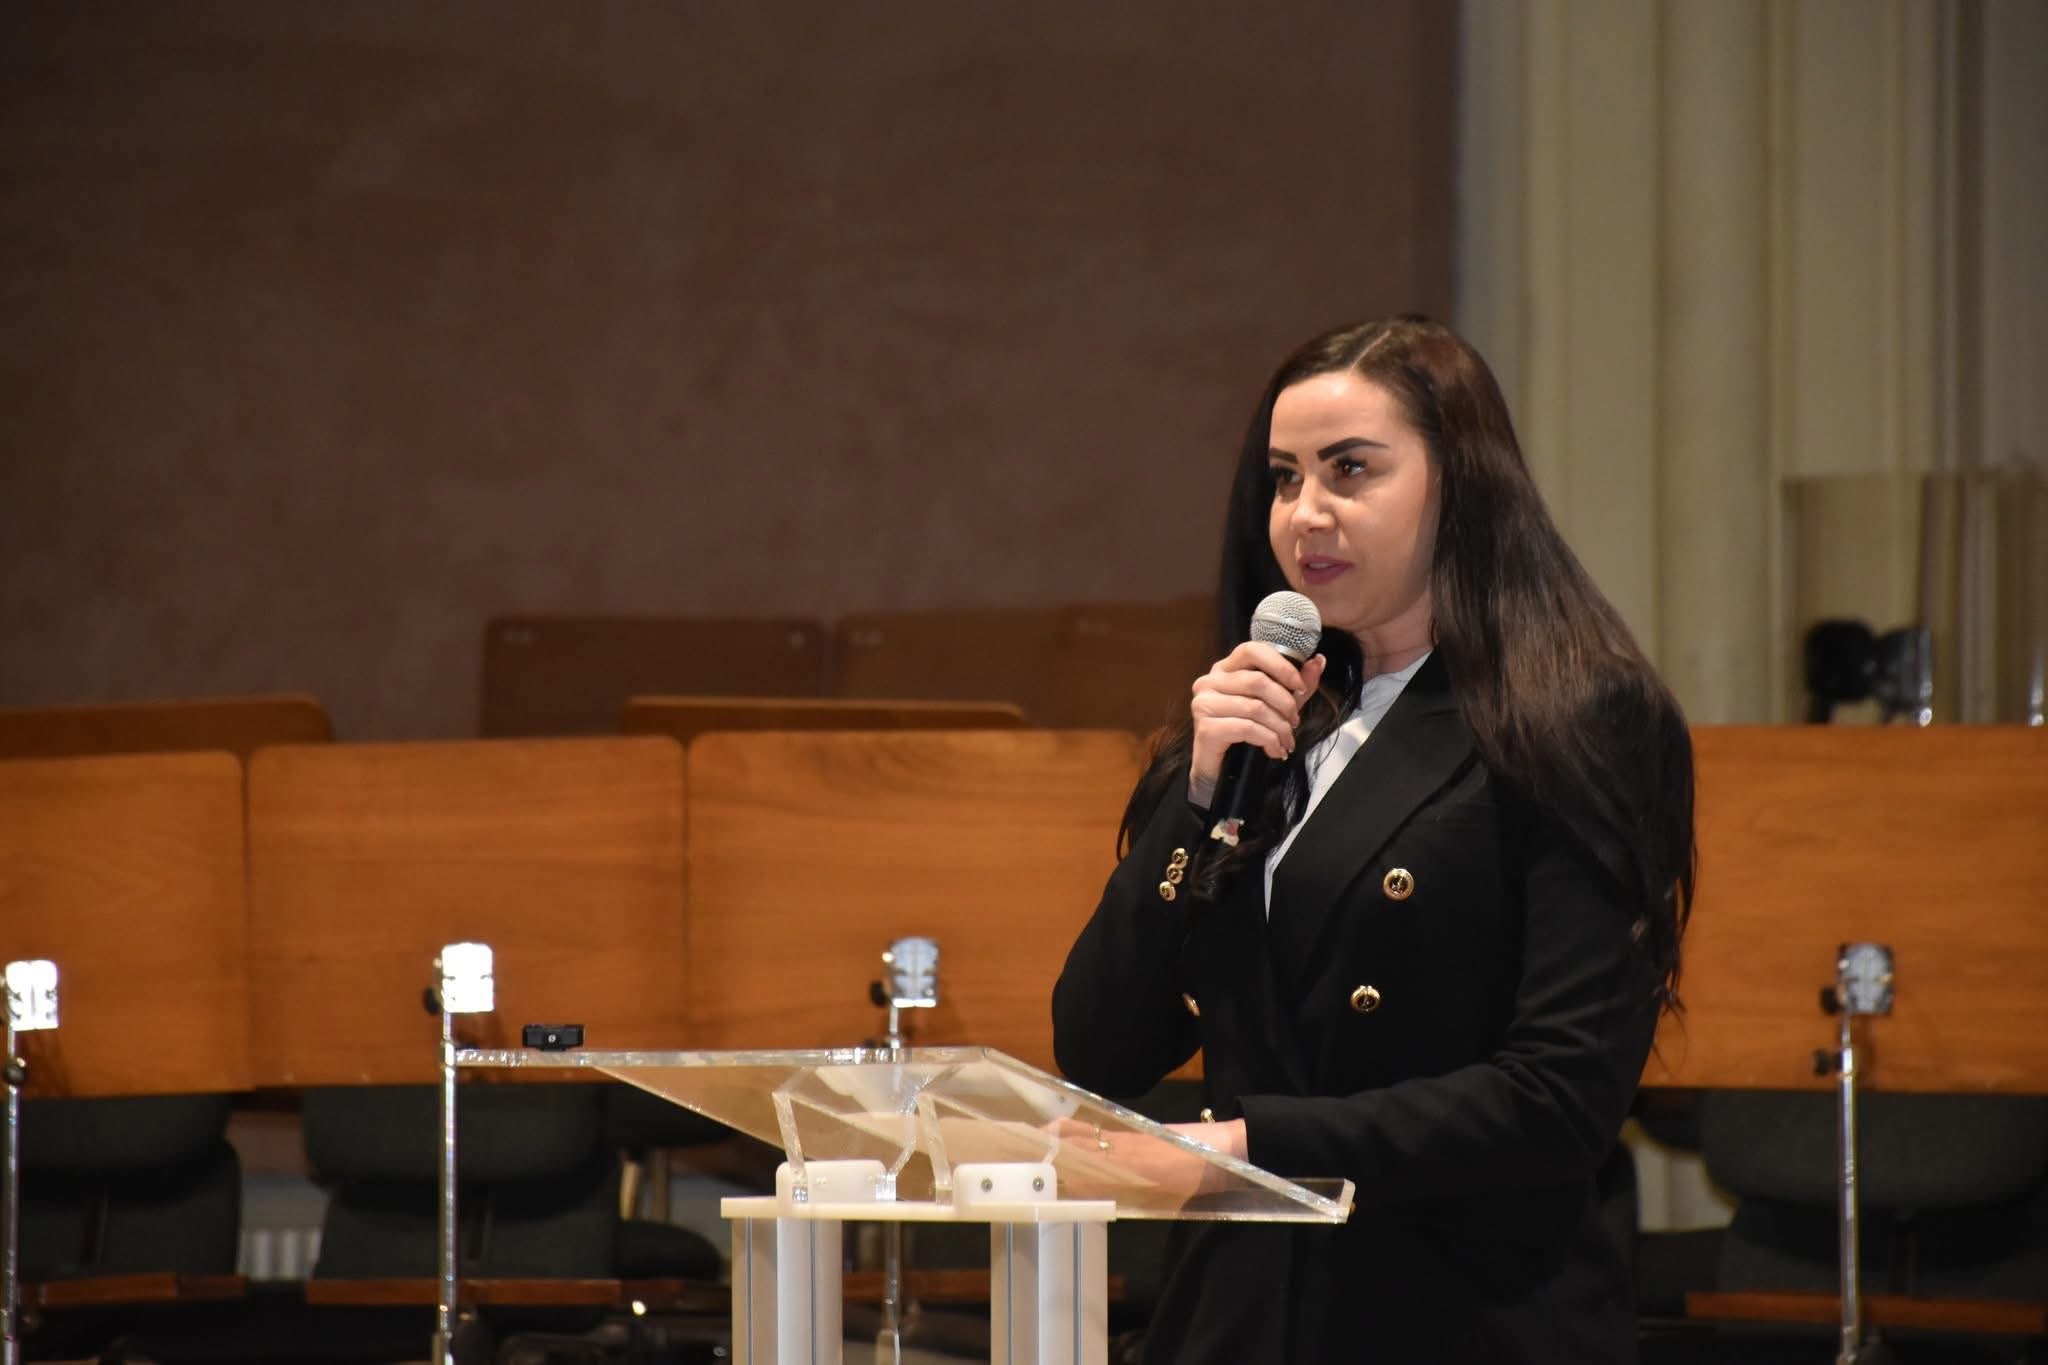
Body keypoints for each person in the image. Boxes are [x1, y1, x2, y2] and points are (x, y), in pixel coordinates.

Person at [1052, 315, 1695, 1363]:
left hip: (1452, 1308)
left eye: (1350, 470)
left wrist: (1250, 1146)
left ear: (1460, 482)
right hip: (1236, 1314)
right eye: (1283, 477)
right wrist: (1197, 796)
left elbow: (1557, 1099)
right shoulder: (1262, 717)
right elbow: (1098, 1047)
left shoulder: (1574, 717)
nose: (1306, 512)